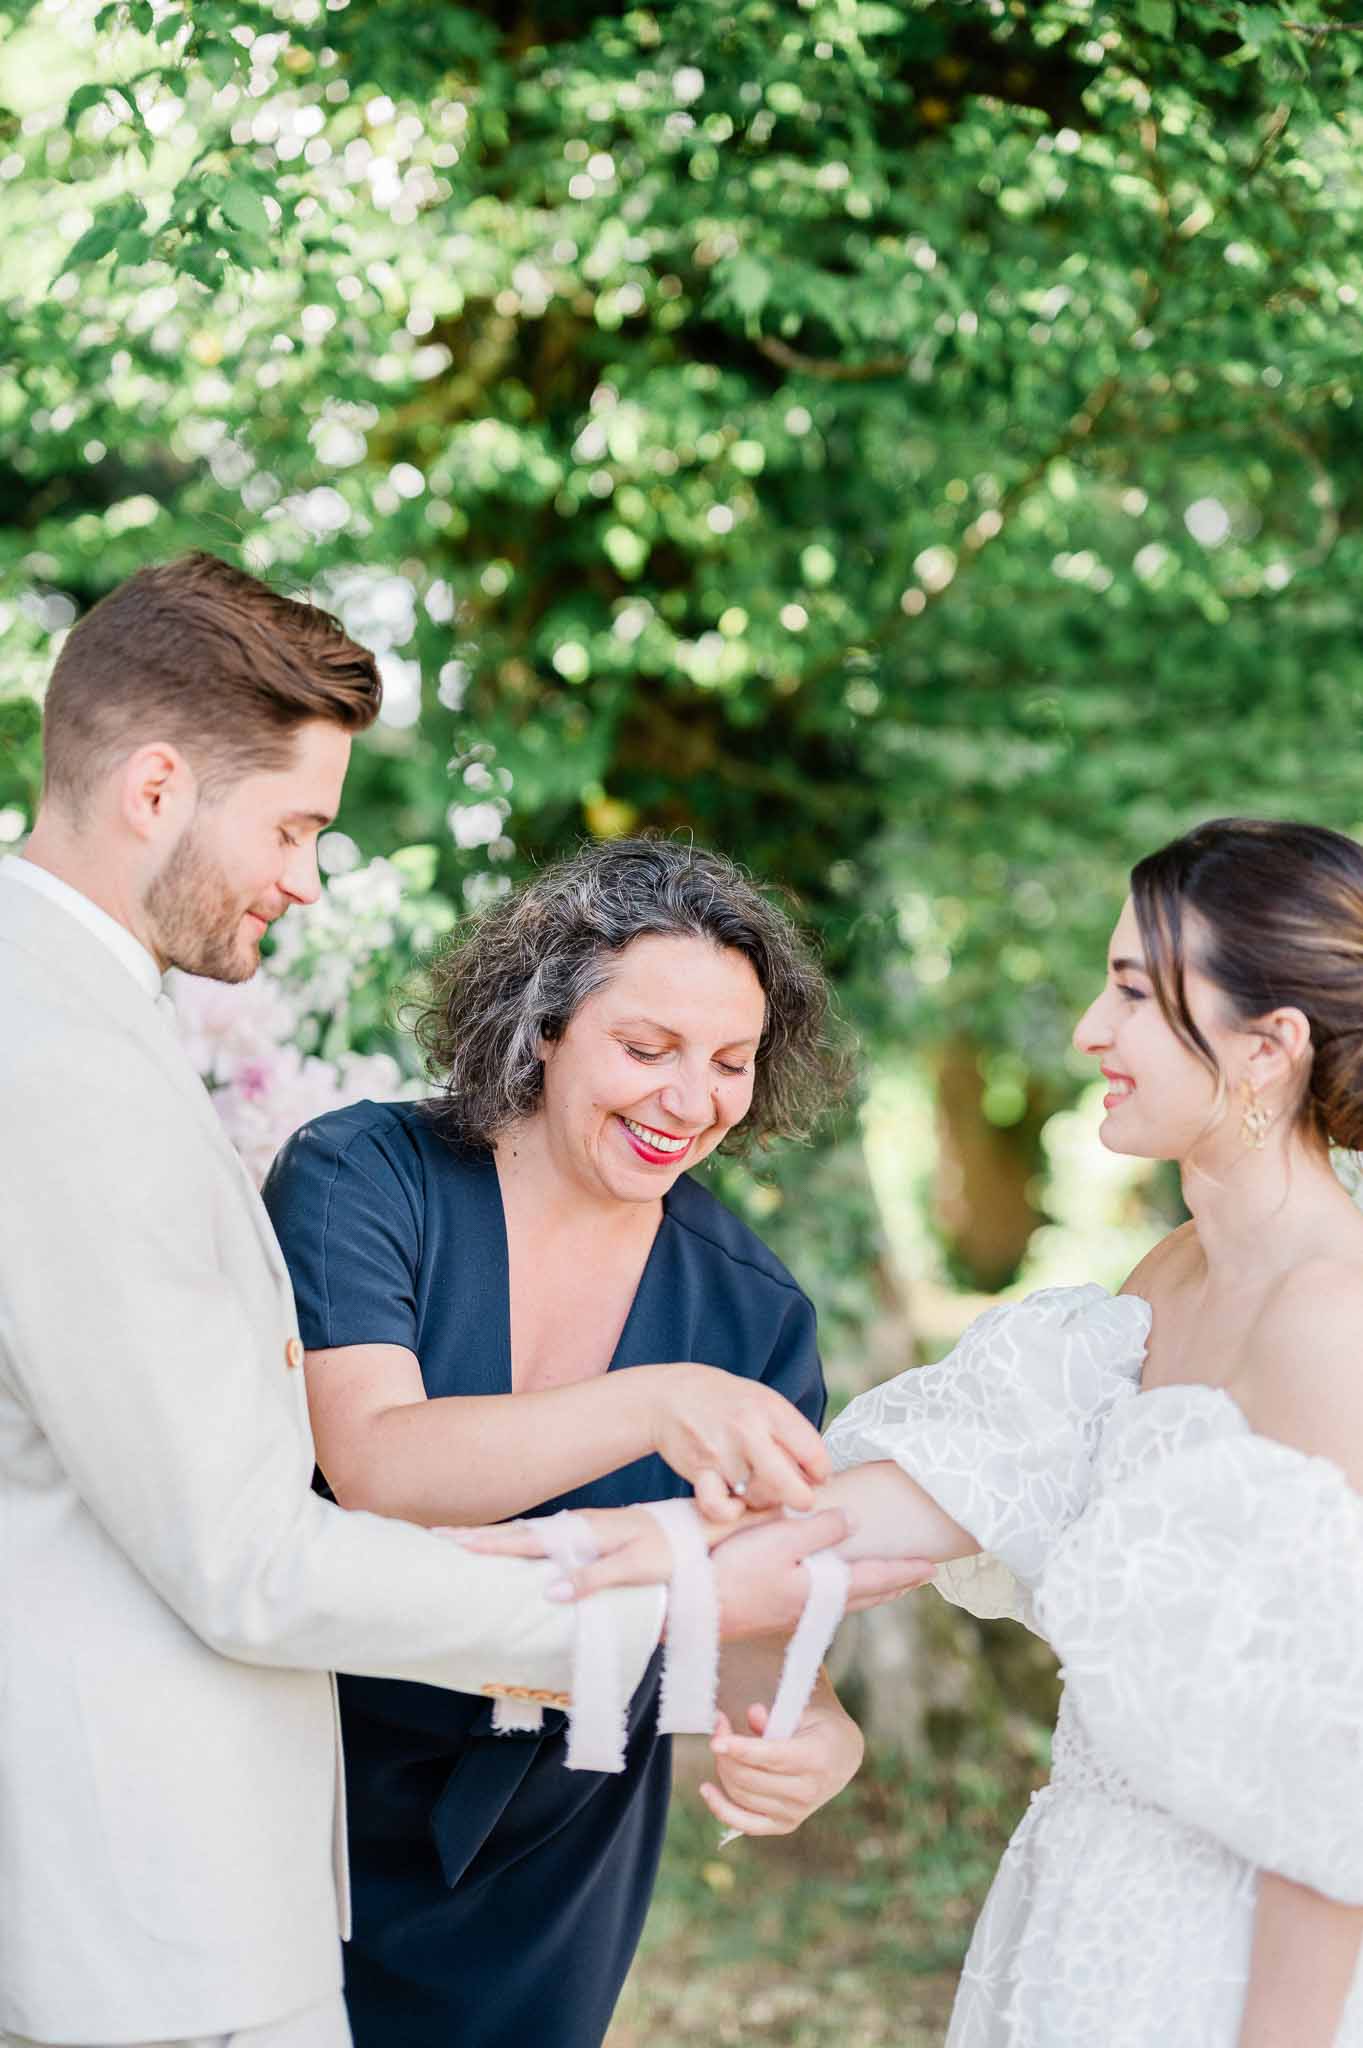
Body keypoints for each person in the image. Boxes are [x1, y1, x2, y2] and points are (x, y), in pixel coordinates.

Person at [0, 555, 887, 2048]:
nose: (305, 877)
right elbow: (256, 1552)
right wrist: (637, 1613)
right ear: (155, 788)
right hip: (161, 1875)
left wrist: (792, 1697)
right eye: (293, 826)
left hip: (472, 1858)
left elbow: (770, 1610)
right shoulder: (69, 1055)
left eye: (728, 1062)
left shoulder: (92, 1019)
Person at [499, 818, 1363, 2047]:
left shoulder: (1337, 1320)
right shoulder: (1162, 1281)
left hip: (1225, 1966)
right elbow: (890, 1506)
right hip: (1076, 1919)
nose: (1087, 1030)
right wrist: (613, 1552)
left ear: (1267, 1047)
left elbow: (1337, 1793)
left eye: (1132, 993)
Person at [261, 837, 925, 2048]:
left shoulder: (753, 1310)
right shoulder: (365, 1175)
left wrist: (817, 1726)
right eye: (646, 1048)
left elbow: (749, 1604)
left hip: (556, 1843)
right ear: (542, 1026)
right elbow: (378, 1468)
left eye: (730, 1062)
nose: (691, 1099)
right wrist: (649, 1402)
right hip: (292, 1789)